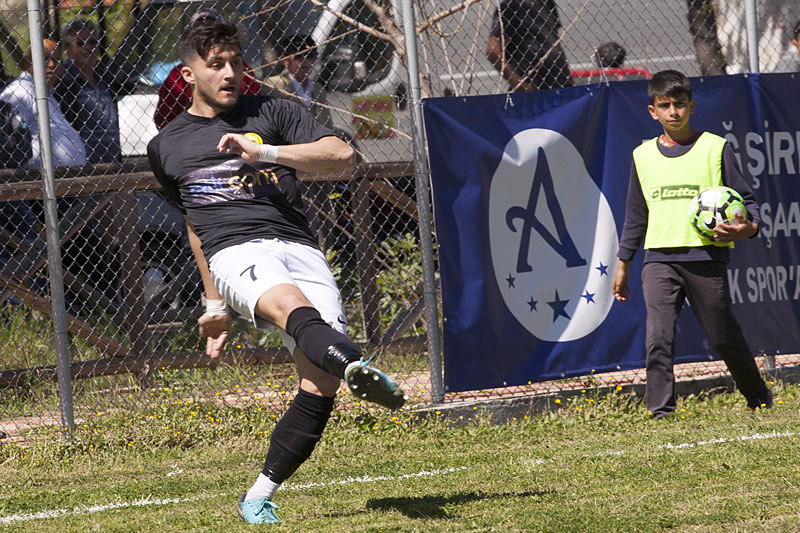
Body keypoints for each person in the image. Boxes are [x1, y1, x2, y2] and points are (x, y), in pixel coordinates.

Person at [146, 20, 406, 524]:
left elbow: (342, 155)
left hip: (298, 247)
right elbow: (194, 224)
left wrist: (261, 150)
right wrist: (214, 302)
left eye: (236, 62)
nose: (228, 73)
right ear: (189, 72)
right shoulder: (167, 146)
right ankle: (355, 365)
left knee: (319, 383)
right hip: (234, 252)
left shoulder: (275, 110)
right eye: (215, 64)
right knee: (293, 310)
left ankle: (258, 493)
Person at [611, 70, 773, 419]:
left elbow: (749, 204)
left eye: (680, 104)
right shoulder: (643, 156)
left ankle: (758, 395)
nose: (673, 112)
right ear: (652, 111)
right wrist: (624, 261)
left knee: (723, 337)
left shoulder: (715, 148)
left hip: (705, 258)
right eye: (665, 106)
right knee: (658, 338)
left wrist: (746, 228)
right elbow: (636, 213)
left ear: (692, 106)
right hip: (658, 261)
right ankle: (661, 411)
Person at [153, 8, 261, 130]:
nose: (230, 74)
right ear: (189, 75)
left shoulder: (242, 70)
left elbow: (254, 107)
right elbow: (164, 119)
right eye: (200, 27)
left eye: (212, 26)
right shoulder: (177, 76)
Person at [0, 39, 86, 168]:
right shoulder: (19, 92)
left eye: (57, 60)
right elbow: (11, 143)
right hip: (37, 180)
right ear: (29, 62)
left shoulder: (47, 94)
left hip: (67, 178)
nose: (52, 64)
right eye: (45, 59)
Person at [54, 17, 122, 164]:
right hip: (83, 167)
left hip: (114, 164)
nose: (88, 47)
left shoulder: (105, 78)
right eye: (80, 43)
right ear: (67, 49)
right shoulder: (63, 82)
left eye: (92, 42)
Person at [486, 0, 572, 92]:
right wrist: (519, 84)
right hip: (532, 84)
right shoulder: (510, 7)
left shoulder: (547, 3)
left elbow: (555, 41)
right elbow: (493, 51)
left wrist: (567, 77)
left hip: (557, 82)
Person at [263, 34, 332, 128]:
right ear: (285, 60)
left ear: (315, 59)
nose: (304, 60)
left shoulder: (318, 89)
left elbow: (329, 126)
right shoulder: (273, 85)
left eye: (309, 55)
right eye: (298, 56)